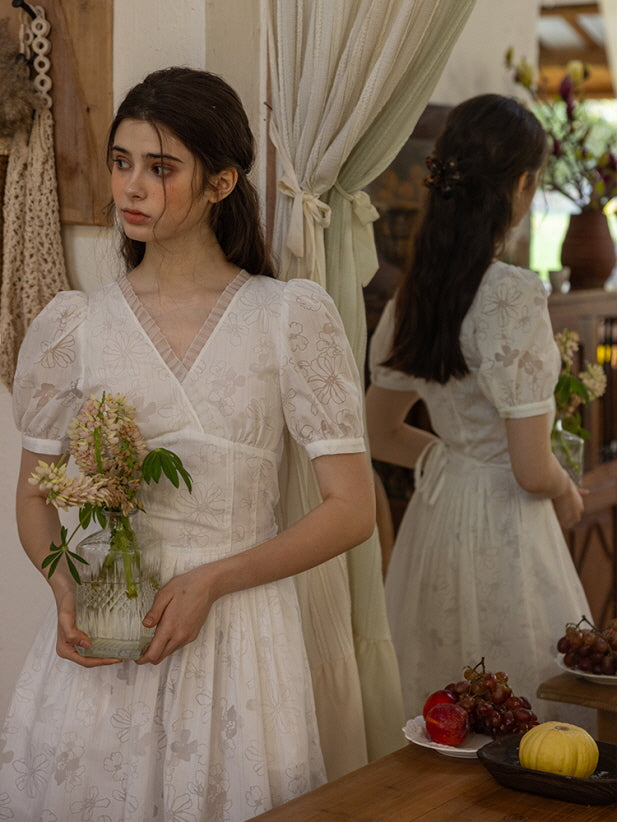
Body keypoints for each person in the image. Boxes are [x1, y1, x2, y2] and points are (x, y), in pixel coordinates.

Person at [0, 67, 375, 821]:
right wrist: (64, 587)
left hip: (240, 642)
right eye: (122, 162)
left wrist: (214, 581)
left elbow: (352, 510)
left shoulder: (288, 318)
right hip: (107, 634)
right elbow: (34, 498)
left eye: (161, 167)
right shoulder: (75, 324)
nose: (132, 187)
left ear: (220, 183)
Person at [366, 94, 593, 727]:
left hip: (438, 516)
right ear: (521, 185)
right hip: (505, 523)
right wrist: (565, 489)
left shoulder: (415, 294)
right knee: (522, 704)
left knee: (438, 699)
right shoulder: (512, 295)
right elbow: (531, 468)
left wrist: (451, 455)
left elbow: (378, 431)